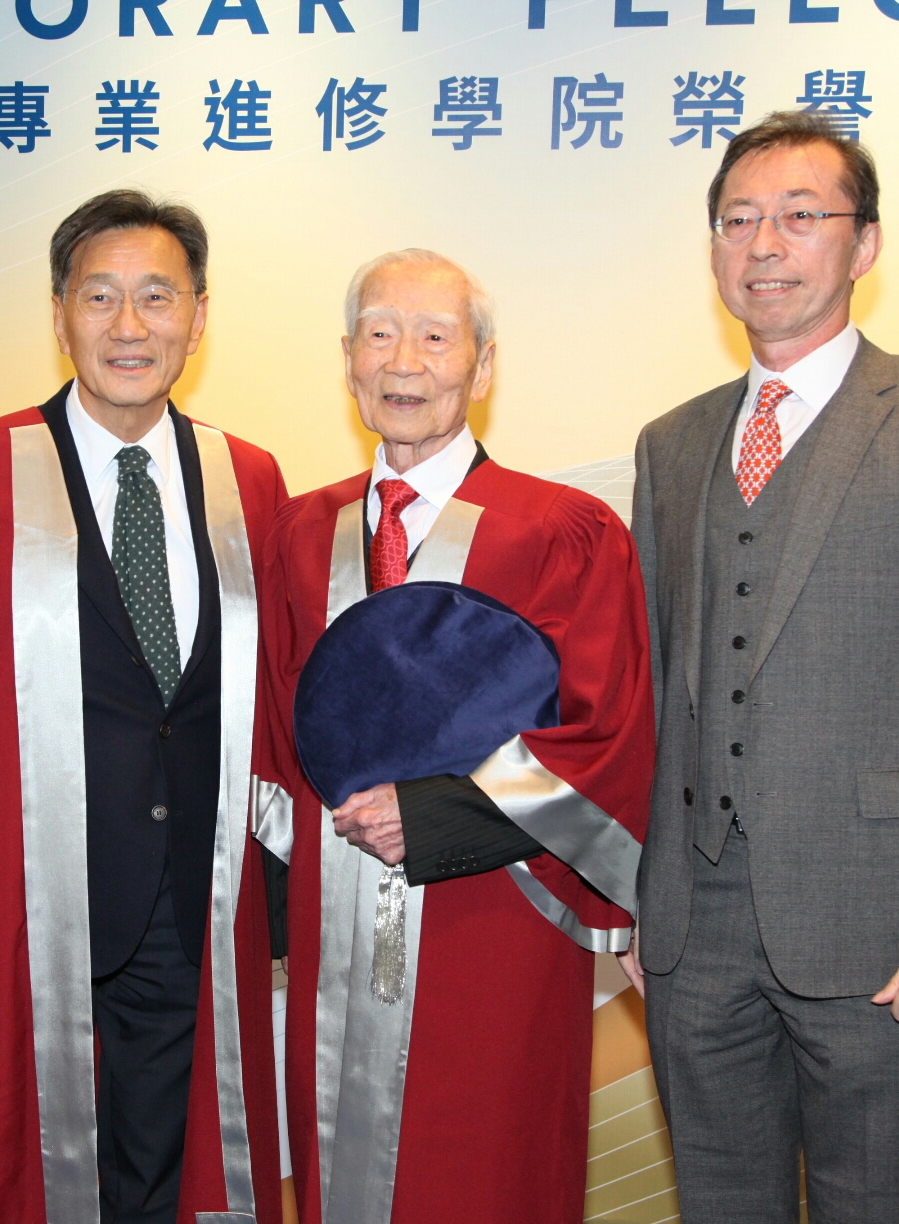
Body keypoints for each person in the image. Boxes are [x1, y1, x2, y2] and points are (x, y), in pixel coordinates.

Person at [628, 111, 899, 1223]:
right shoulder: (671, 444)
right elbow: (653, 690)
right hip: (692, 936)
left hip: (885, 928)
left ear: (864, 244)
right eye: (738, 221)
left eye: (800, 216)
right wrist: (636, 904)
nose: (764, 244)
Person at [0, 190, 288, 1224]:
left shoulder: (247, 480)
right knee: (9, 1150)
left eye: (158, 297)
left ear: (199, 316)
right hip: (20, 886)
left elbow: (277, 686)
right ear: (59, 313)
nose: (129, 326)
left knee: (162, 1162)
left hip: (188, 888)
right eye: (100, 296)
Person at [256, 249, 654, 1224]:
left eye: (435, 337)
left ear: (482, 368)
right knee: (335, 1160)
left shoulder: (562, 530)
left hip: (495, 921)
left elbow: (605, 733)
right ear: (348, 360)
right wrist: (267, 913)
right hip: (332, 923)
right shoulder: (298, 533)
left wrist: (436, 816)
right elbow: (268, 736)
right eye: (380, 334)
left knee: (485, 1172)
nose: (405, 361)